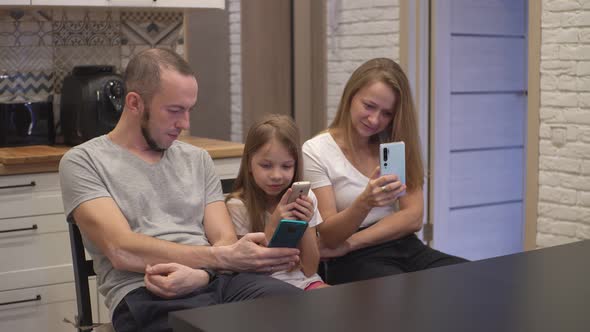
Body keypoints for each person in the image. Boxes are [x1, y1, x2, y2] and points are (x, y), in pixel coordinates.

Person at [59, 48, 301, 332]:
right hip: (148, 290)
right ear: (135, 103)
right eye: (174, 111)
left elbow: (223, 238)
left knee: (296, 309)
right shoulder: (83, 162)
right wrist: (219, 258)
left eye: (188, 110)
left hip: (214, 279)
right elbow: (121, 249)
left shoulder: (197, 159)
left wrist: (201, 273)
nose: (185, 124)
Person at [302, 57, 467, 285]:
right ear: (350, 96)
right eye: (369, 106)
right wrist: (365, 202)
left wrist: (352, 242)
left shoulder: (393, 142)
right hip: (352, 260)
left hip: (399, 245)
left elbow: (413, 217)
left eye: (387, 113)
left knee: (469, 277)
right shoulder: (316, 150)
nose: (375, 119)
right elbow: (329, 236)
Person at [225, 115, 328, 290]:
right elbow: (245, 272)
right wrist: (273, 225)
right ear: (249, 164)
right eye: (266, 165)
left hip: (306, 281)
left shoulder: (306, 198)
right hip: (261, 287)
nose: (276, 176)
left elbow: (310, 269)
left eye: (286, 166)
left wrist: (305, 223)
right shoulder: (238, 205)